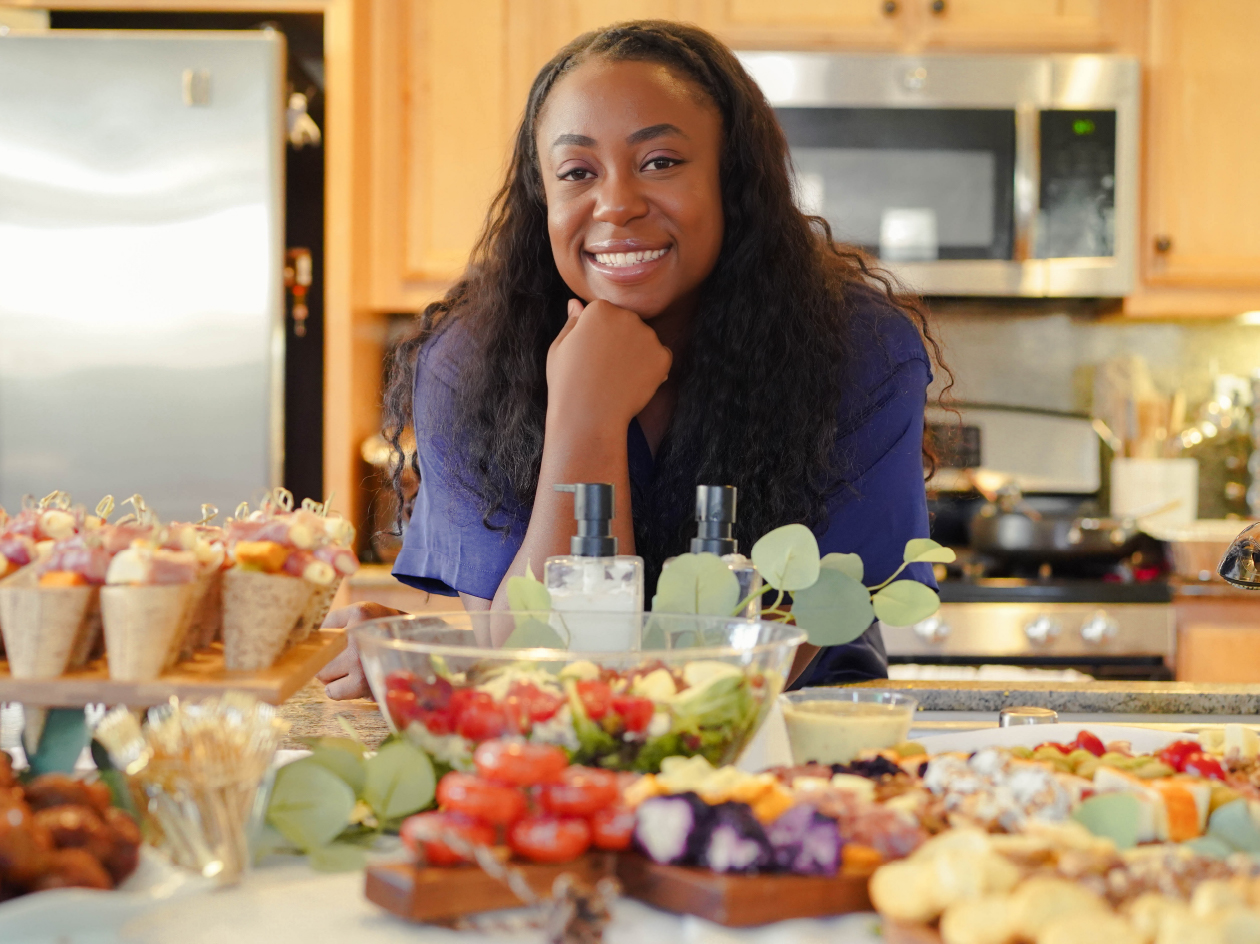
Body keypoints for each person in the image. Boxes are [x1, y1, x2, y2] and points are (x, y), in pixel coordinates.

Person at [318, 20, 946, 701]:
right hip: (559, 772)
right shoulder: (465, 365)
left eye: (661, 163)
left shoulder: (861, 351)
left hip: (795, 757)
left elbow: (746, 685)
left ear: (733, 182)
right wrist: (584, 417)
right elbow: (541, 668)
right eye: (577, 172)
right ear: (543, 198)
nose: (616, 203)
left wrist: (468, 664)